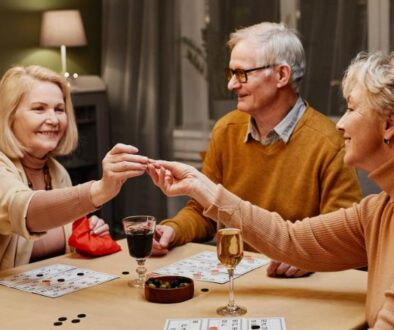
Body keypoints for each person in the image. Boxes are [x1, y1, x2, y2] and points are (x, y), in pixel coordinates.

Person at [148, 51, 394, 328]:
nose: (341, 123)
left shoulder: (327, 145)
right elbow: (289, 239)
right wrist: (200, 186)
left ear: (389, 124)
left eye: (351, 109)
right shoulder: (379, 210)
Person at [152, 22, 361, 278]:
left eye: (242, 73)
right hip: (236, 279)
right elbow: (203, 211)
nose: (231, 85)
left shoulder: (329, 142)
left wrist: (312, 257)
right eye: (231, 74)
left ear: (282, 76)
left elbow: (346, 236)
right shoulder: (225, 130)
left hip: (298, 288)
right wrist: (172, 230)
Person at [0, 65, 149, 270]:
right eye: (38, 108)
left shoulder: (56, 171)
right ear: (9, 116)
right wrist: (100, 190)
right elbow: (25, 210)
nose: (53, 120)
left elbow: (56, 255)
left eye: (59, 109)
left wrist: (86, 234)